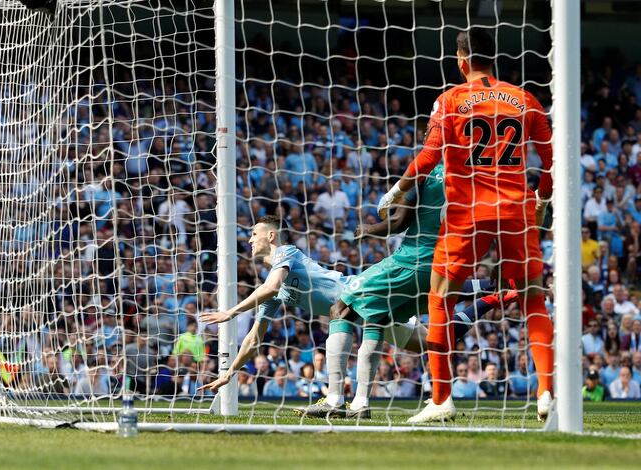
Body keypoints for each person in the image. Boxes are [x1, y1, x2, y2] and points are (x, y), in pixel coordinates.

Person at [379, 28, 555, 423]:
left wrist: (398, 188)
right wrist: (541, 198)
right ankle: (546, 393)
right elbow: (550, 160)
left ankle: (441, 400)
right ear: (493, 60)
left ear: (460, 61)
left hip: (466, 213)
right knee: (533, 299)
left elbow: (428, 157)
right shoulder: (524, 99)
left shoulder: (450, 100)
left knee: (440, 299)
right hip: (514, 211)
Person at [197, 215, 505, 408]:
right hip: (360, 312)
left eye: (253, 233)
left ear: (271, 236)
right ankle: (490, 298)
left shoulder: (286, 254)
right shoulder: (270, 291)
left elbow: (273, 284)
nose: (249, 239)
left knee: (430, 290)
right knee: (430, 342)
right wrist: (229, 374)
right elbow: (254, 339)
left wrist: (231, 312)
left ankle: (488, 284)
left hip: (361, 294)